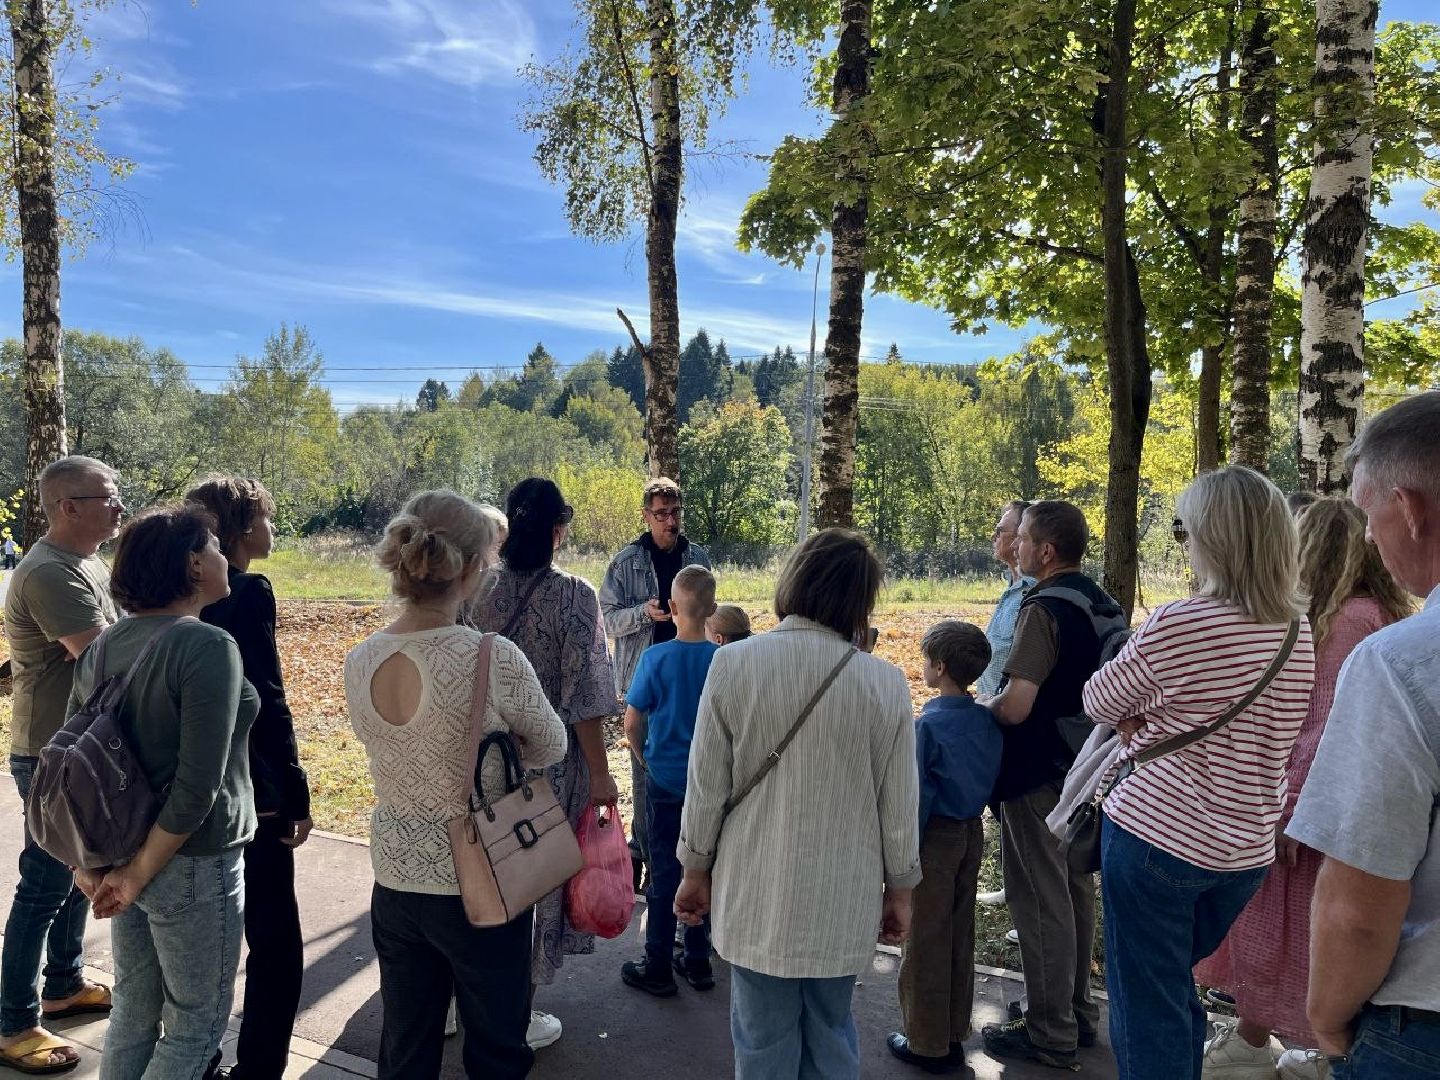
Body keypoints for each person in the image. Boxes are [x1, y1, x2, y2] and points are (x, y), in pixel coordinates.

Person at [1081, 467, 1316, 1080]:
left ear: (1215, 536)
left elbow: (1098, 701)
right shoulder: (1297, 628)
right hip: (1245, 849)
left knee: (1147, 1002)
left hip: (1160, 838)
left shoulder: (1183, 622)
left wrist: (1143, 715)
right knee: (1171, 986)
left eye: (1185, 529)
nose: (1182, 541)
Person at [674, 528, 920, 1080]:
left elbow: (706, 785)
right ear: (861, 601)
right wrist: (900, 889)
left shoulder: (732, 665)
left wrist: (695, 869)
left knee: (761, 1040)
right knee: (832, 1032)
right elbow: (899, 806)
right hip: (844, 897)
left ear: (793, 580)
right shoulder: (884, 684)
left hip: (756, 891)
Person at [345, 490, 567, 1079]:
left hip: (393, 874)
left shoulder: (361, 658)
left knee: (406, 1047)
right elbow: (552, 745)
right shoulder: (493, 658)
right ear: (473, 566)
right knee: (497, 1047)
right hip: (481, 877)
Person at [1196, 497, 1410, 1078]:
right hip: (1326, 808)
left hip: (1307, 815)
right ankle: (1275, 1044)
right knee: (1292, 939)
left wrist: (1289, 806)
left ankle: (1301, 1049)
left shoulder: (1347, 621)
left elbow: (1327, 724)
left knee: (1294, 940)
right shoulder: (1364, 617)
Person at [69, 505, 259, 1080]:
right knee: (195, 1026)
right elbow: (197, 787)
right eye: (217, 549)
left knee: (133, 1009)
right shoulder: (206, 645)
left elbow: (74, 760)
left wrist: (100, 866)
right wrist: (138, 873)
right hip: (190, 858)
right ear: (195, 564)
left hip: (123, 853)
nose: (227, 558)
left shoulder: (104, 645)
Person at [1287, 392, 1440, 1078]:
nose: (1370, 536)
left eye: (1369, 513)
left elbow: (1360, 906)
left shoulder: (1402, 663)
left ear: (1409, 510)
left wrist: (1326, 1018)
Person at [466, 477, 619, 1051]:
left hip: (481, 762)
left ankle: (466, 998)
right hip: (547, 768)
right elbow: (586, 695)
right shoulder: (575, 595)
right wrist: (601, 773)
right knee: (532, 887)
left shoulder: (475, 587)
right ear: (558, 531)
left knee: (480, 875)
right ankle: (516, 1013)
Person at [975, 500, 1115, 1068]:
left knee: (1038, 897)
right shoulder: (1098, 600)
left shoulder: (1045, 609)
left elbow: (1016, 706)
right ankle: (1079, 1012)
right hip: (1084, 767)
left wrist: (974, 708)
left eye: (1024, 537)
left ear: (1047, 550)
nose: (1016, 546)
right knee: (1076, 890)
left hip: (1037, 772)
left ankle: (1048, 1029)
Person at [186, 476, 312, 1080]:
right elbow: (268, 698)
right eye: (264, 517)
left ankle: (198, 1057)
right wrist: (292, 791)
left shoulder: (176, 594)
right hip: (252, 791)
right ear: (240, 529)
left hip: (189, 791)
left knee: (203, 941)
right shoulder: (250, 591)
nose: (271, 526)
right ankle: (259, 1069)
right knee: (276, 947)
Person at [0, 456, 122, 1074]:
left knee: (82, 869)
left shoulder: (86, 563)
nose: (119, 507)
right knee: (46, 884)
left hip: (80, 750)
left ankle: (65, 983)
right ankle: (14, 1023)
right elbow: (105, 658)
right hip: (51, 754)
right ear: (66, 507)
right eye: (107, 497)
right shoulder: (48, 572)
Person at [888, 620, 1002, 1074]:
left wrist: (902, 857)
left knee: (925, 941)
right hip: (972, 832)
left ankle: (926, 1042)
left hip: (934, 836)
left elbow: (917, 796)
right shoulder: (987, 719)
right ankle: (954, 1030)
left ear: (938, 667)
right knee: (959, 932)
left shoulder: (928, 725)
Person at [600, 477, 710, 880]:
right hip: (643, 686)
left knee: (693, 780)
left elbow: (711, 611)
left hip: (693, 681)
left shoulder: (697, 558)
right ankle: (649, 860)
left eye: (675, 512)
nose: (670, 521)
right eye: (661, 514)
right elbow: (606, 621)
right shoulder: (626, 561)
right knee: (647, 782)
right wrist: (642, 613)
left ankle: (685, 865)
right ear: (646, 517)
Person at [619, 565, 720, 996]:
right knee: (705, 869)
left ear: (673, 608)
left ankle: (657, 962)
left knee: (664, 872)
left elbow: (632, 721)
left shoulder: (654, 658)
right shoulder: (723, 660)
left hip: (664, 782)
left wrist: (644, 759)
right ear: (713, 609)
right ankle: (697, 961)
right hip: (711, 786)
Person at [976, 499, 1033, 911]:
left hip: (1014, 715)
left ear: (1023, 540)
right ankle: (1013, 884)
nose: (995, 536)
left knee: (1018, 807)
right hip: (992, 708)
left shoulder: (1032, 594)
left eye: (1003, 529)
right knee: (1003, 807)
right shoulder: (1011, 587)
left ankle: (1029, 897)